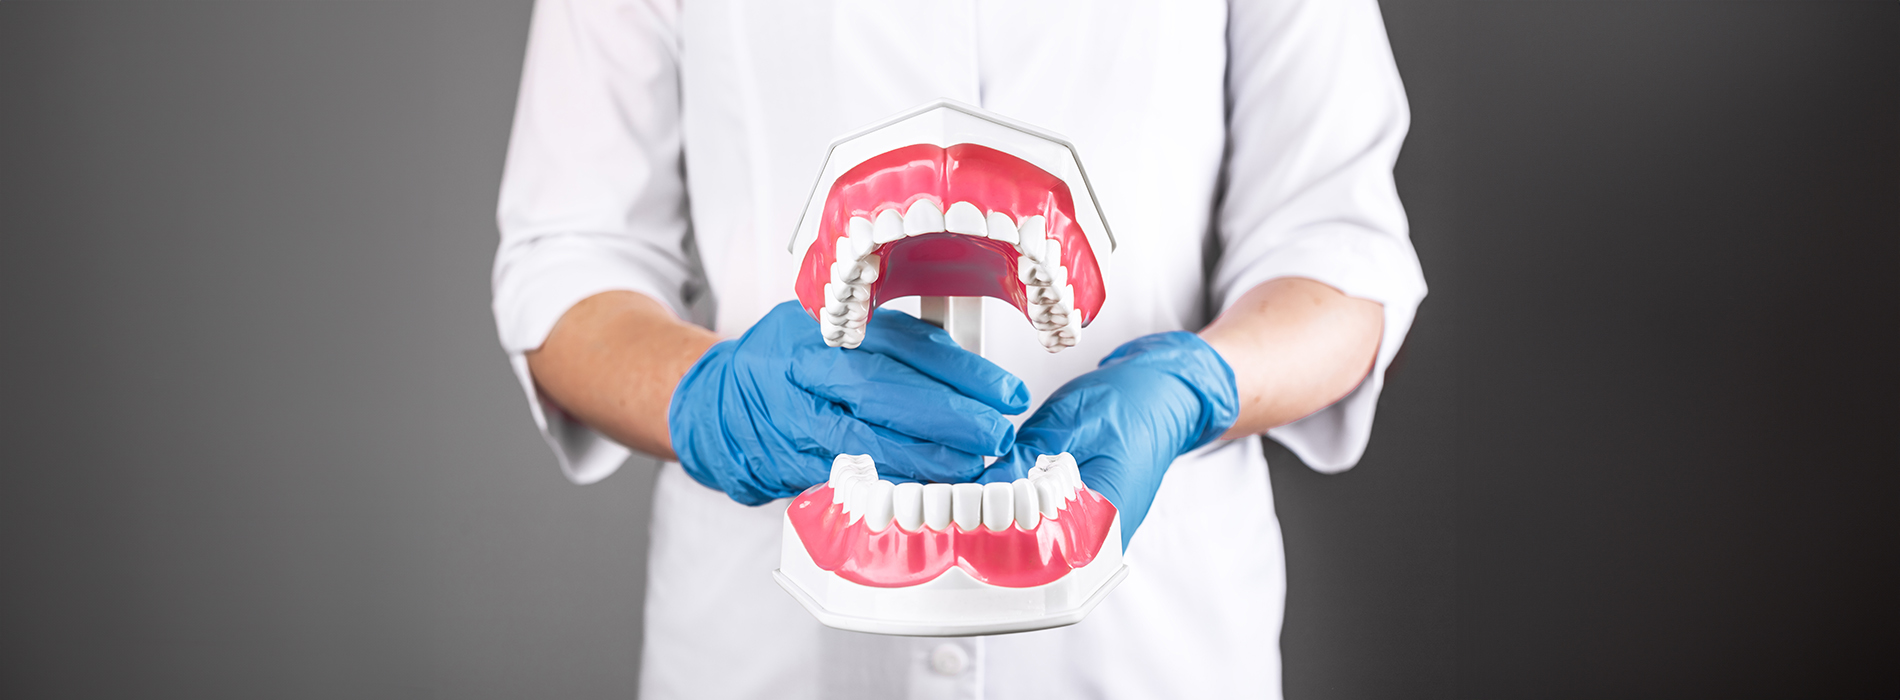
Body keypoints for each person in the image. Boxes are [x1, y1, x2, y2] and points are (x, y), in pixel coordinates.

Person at [491, 0, 1425, 697]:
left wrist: (1202, 385)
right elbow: (569, 255)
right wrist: (712, 400)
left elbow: (1340, 248)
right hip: (763, 649)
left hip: (1148, 646)